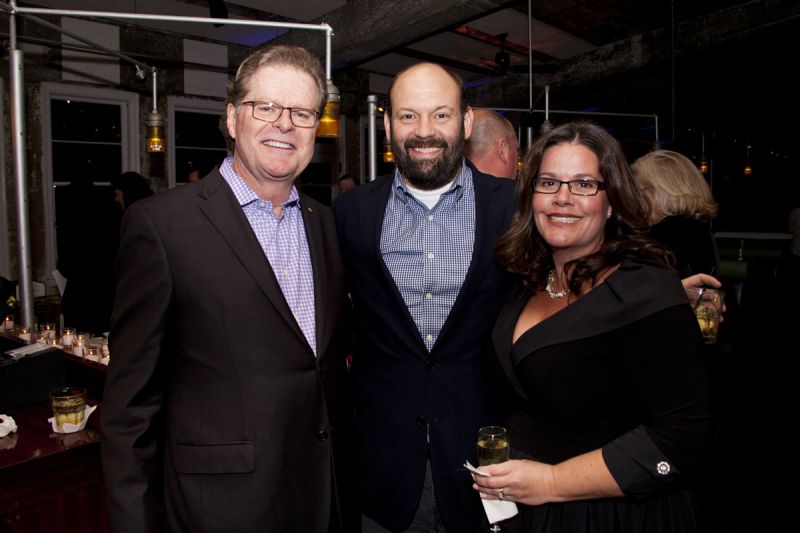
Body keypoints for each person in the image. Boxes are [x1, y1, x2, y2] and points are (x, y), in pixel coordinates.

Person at [101, 45, 357, 533]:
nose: (285, 124)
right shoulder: (161, 226)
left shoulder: (323, 222)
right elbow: (130, 410)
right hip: (219, 508)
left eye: (302, 113)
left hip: (324, 497)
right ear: (233, 117)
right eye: (266, 107)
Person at [472, 121, 713, 532]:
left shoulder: (645, 289)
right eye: (549, 182)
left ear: (613, 201)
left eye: (584, 184)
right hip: (530, 512)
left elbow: (684, 435)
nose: (562, 198)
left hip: (611, 514)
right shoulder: (529, 278)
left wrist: (552, 482)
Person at [333, 62, 518, 532]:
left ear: (466, 121)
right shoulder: (350, 213)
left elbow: (565, 282)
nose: (424, 132)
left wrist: (649, 291)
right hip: (383, 463)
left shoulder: (513, 208)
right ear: (388, 124)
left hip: (489, 460)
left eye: (440, 115)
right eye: (408, 116)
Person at [631, 150, 720, 278]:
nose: (633, 199)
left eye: (637, 191)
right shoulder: (697, 230)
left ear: (656, 193)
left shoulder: (663, 238)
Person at [465, 109, 519, 180]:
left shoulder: (452, 187)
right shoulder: (511, 190)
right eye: (516, 150)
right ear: (503, 150)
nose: (517, 159)